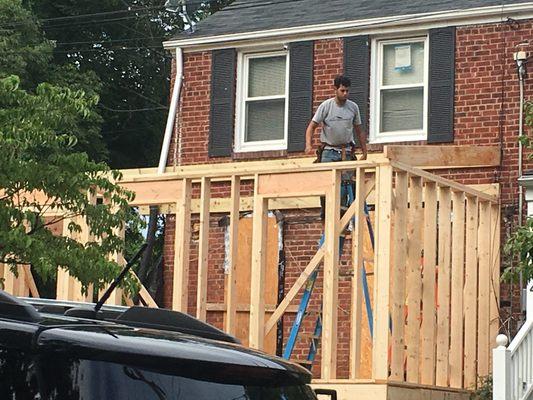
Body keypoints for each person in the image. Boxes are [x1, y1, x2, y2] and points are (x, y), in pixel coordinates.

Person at [305, 75, 368, 221]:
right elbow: (311, 127)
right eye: (342, 91)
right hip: (329, 152)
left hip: (346, 151)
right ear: (335, 89)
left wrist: (364, 151)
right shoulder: (326, 106)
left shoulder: (353, 107)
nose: (345, 94)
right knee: (326, 185)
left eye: (347, 91)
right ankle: (327, 217)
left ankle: (345, 218)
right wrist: (308, 144)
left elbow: (359, 130)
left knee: (348, 185)